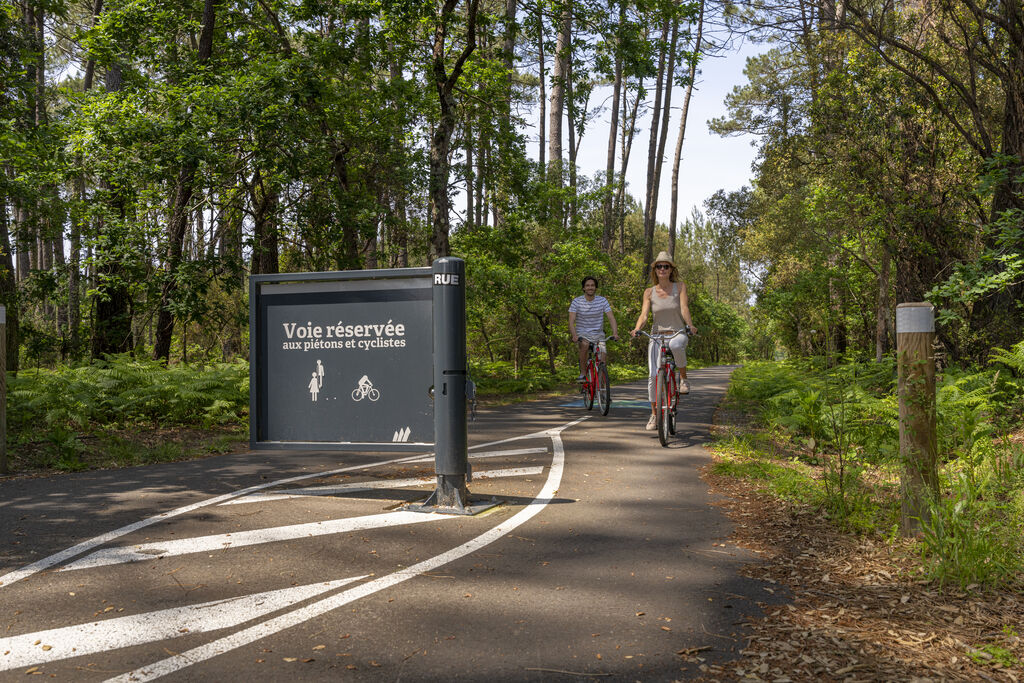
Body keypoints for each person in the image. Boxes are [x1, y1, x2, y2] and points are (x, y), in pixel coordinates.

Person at [630, 251, 698, 431]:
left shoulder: (680, 287)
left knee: (676, 345)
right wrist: (637, 328)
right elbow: (644, 315)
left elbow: (684, 308)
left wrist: (690, 325)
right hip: (657, 336)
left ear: (671, 269)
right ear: (655, 270)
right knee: (653, 376)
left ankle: (683, 379)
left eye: (665, 266)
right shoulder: (649, 292)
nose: (662, 269)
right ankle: (654, 414)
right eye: (659, 266)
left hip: (677, 333)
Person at [568, 276, 619, 382]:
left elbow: (611, 317)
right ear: (583, 288)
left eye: (592, 285)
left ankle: (602, 386)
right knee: (585, 346)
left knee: (602, 357)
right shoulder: (576, 302)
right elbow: (571, 321)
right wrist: (574, 335)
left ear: (595, 288)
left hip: (599, 334)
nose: (590, 287)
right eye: (587, 285)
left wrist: (615, 333)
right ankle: (583, 373)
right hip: (583, 333)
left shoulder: (602, 301)